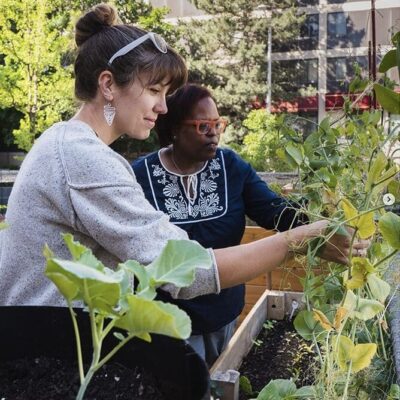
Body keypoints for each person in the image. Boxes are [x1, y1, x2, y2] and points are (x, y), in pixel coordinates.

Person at [0, 4, 365, 325]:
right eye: (155, 90)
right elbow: (185, 271)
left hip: (48, 344)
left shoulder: (66, 144)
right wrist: (296, 241)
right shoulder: (83, 159)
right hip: (49, 352)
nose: (162, 108)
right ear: (108, 85)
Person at [132, 84, 307, 365]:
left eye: (218, 124)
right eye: (203, 125)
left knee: (221, 381)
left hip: (223, 315)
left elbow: (278, 213)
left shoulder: (231, 167)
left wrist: (325, 217)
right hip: (164, 324)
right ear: (175, 128)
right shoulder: (139, 177)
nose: (214, 132)